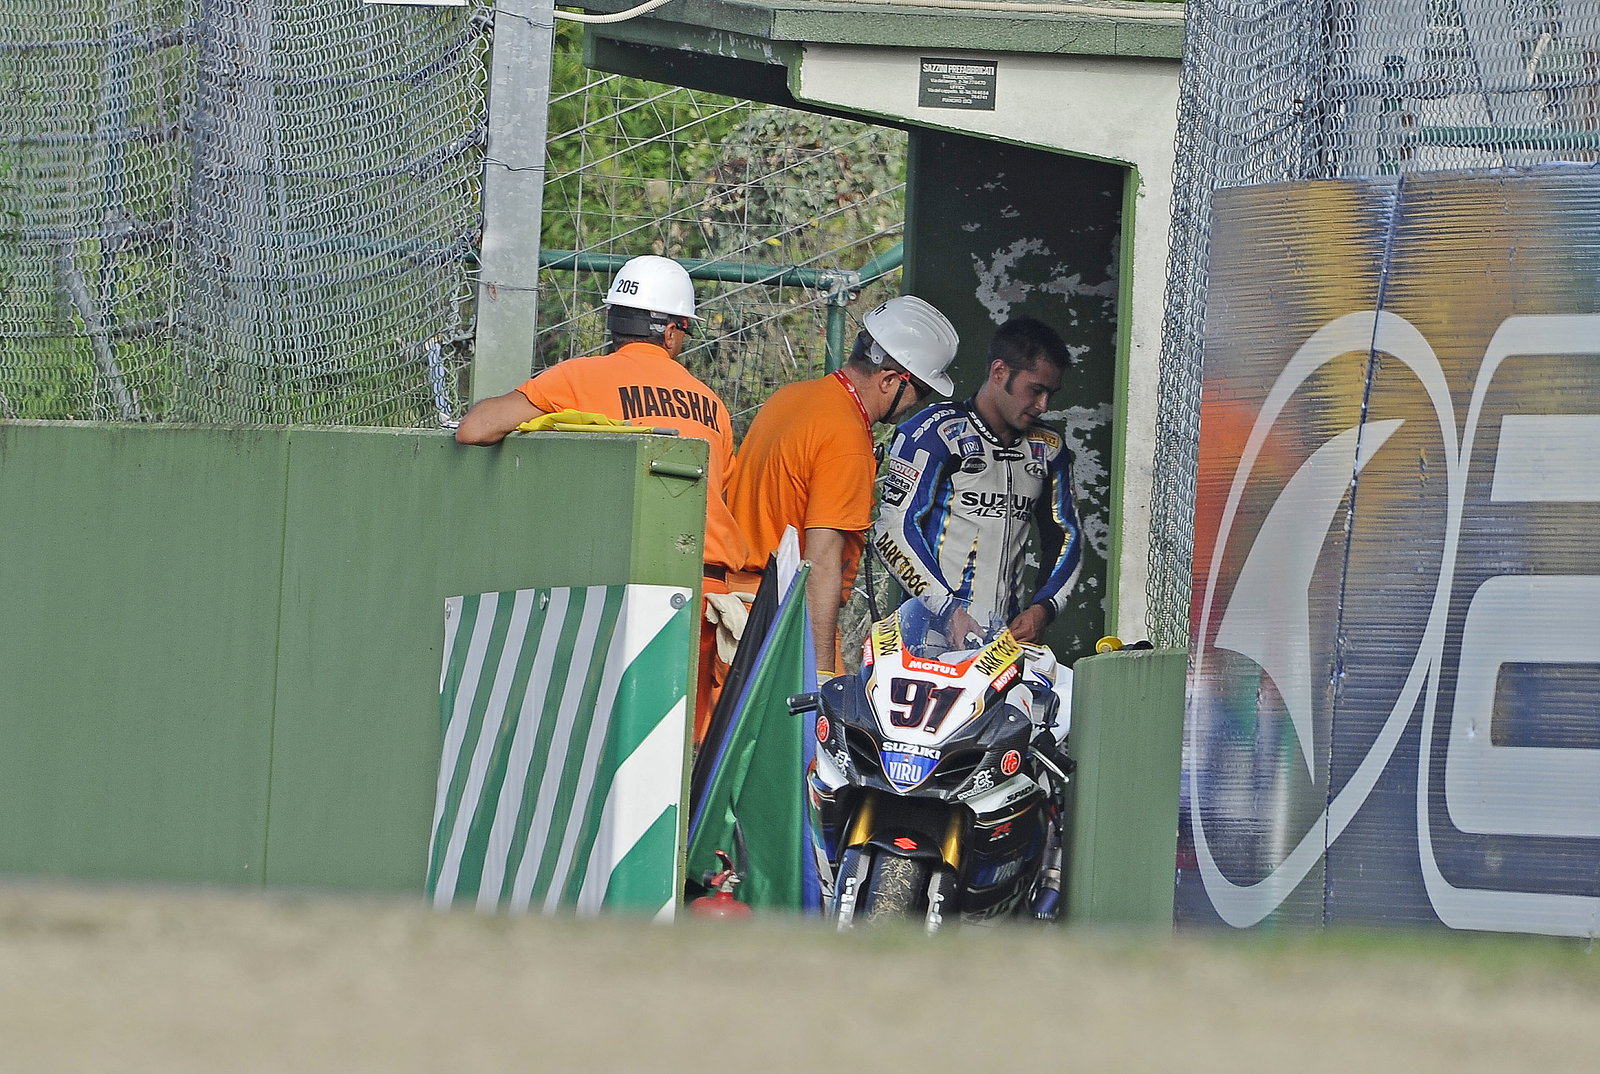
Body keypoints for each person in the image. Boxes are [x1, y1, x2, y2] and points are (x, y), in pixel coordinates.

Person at [455, 254, 748, 746]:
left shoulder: (578, 378)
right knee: (688, 757)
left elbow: (474, 429)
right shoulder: (712, 405)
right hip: (708, 597)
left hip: (628, 585)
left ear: (614, 319)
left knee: (606, 743)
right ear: (674, 331)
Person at [725, 295, 959, 679]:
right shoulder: (846, 437)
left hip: (736, 612)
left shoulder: (791, 398)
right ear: (890, 380)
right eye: (923, 392)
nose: (918, 405)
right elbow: (820, 563)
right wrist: (819, 674)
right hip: (782, 625)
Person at [871, 315, 1082, 647]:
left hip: (1005, 645)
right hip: (929, 638)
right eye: (1036, 390)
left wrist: (1044, 608)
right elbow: (891, 530)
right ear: (999, 372)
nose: (1043, 406)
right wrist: (948, 609)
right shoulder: (934, 431)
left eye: (1050, 394)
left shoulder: (1049, 448)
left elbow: (1068, 536)